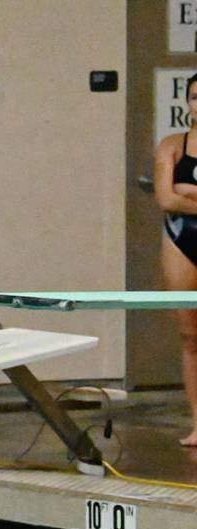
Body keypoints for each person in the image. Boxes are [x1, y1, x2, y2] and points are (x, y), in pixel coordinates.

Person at [155, 71, 197, 446]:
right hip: (181, 240)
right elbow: (166, 199)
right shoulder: (172, 145)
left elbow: (178, 192)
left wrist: (187, 192)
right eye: (196, 97)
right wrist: (181, 194)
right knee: (190, 335)